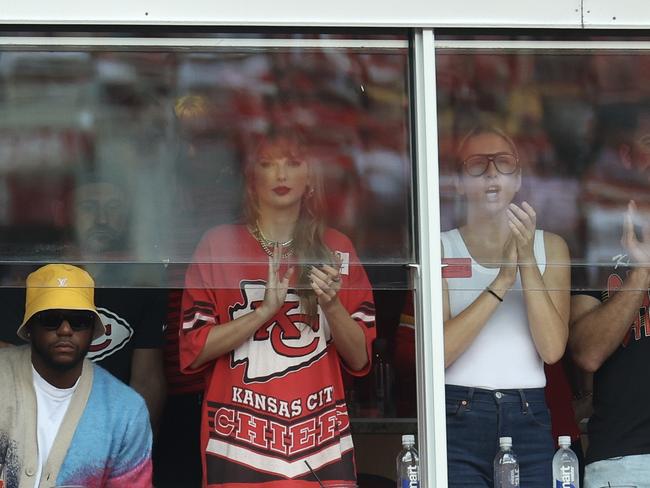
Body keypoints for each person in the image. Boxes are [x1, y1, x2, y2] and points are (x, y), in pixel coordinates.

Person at [179, 127, 376, 487]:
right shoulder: (218, 244)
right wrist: (262, 313)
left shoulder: (336, 247)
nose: (281, 175)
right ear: (251, 179)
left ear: (310, 177)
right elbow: (193, 350)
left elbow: (361, 358)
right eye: (267, 164)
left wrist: (331, 305)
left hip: (321, 442)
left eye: (293, 163)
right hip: (238, 440)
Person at [442, 126, 570, 487]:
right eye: (477, 165)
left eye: (503, 163)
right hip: (457, 411)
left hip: (527, 411)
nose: (492, 173)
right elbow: (438, 354)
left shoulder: (552, 247)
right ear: (457, 182)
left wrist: (526, 259)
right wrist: (500, 282)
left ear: (519, 179)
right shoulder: (440, 247)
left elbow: (552, 349)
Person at [0, 263, 152, 487]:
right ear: (30, 327)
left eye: (79, 320)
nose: (65, 330)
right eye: (51, 318)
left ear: (93, 330)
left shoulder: (126, 411)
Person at [569, 100, 650, 487]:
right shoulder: (599, 238)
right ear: (628, 156)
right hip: (623, 460)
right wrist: (643, 271)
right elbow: (587, 353)